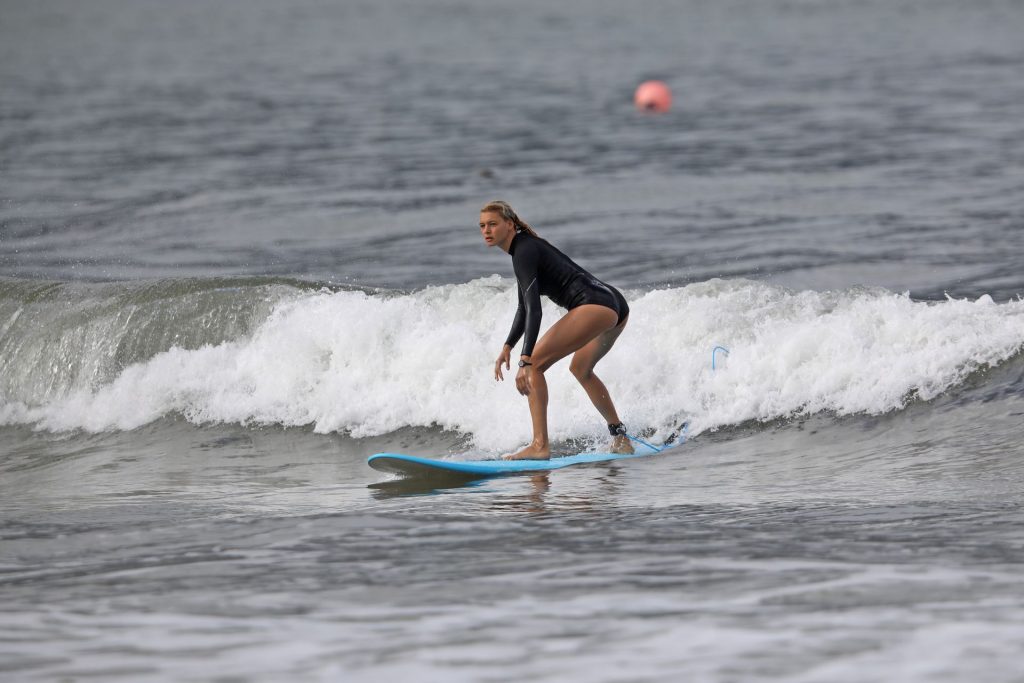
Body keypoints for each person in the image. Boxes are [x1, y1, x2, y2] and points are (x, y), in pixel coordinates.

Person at [480, 200, 633, 460]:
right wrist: (508, 346)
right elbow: (523, 308)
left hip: (594, 305)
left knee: (535, 368)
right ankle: (620, 437)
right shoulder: (526, 249)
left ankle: (540, 445)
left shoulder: (523, 251)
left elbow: (535, 309)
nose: (486, 230)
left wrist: (525, 359)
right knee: (581, 369)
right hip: (615, 304)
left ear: (509, 224)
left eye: (492, 224)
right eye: (482, 226)